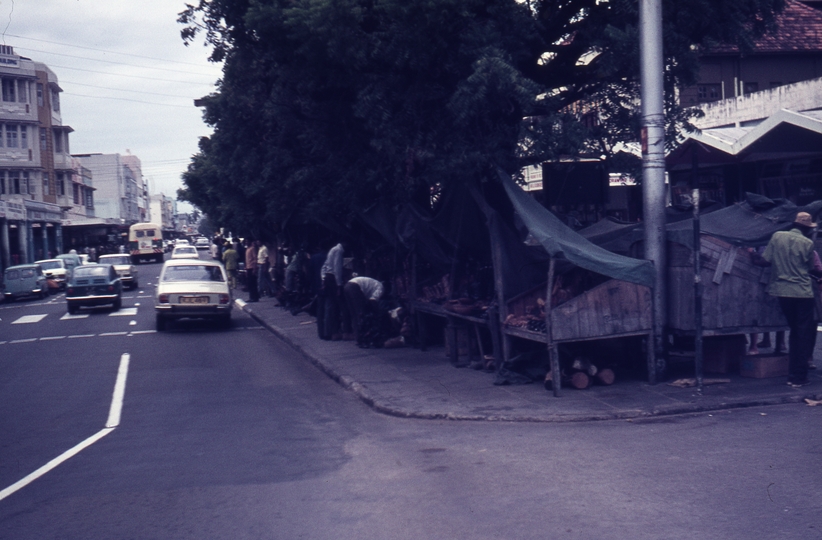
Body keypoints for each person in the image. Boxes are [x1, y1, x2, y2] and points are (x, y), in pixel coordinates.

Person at [759, 211, 822, 388]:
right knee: (802, 335)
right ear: (806, 228)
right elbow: (811, 268)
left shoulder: (777, 236)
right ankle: (798, 377)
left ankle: (793, 375)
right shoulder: (808, 243)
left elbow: (765, 260)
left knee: (794, 332)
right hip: (802, 293)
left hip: (782, 292)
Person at [317, 241, 347, 340]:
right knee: (336, 306)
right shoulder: (339, 251)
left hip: (328, 278)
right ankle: (334, 331)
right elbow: (337, 269)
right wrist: (339, 285)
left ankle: (329, 331)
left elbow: (324, 268)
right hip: (333, 279)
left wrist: (323, 279)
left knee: (330, 305)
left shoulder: (332, 250)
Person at [344, 276, 384, 341]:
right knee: (360, 313)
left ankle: (357, 335)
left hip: (347, 285)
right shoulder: (381, 288)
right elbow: (373, 300)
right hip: (355, 286)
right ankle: (362, 336)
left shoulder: (375, 284)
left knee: (354, 313)